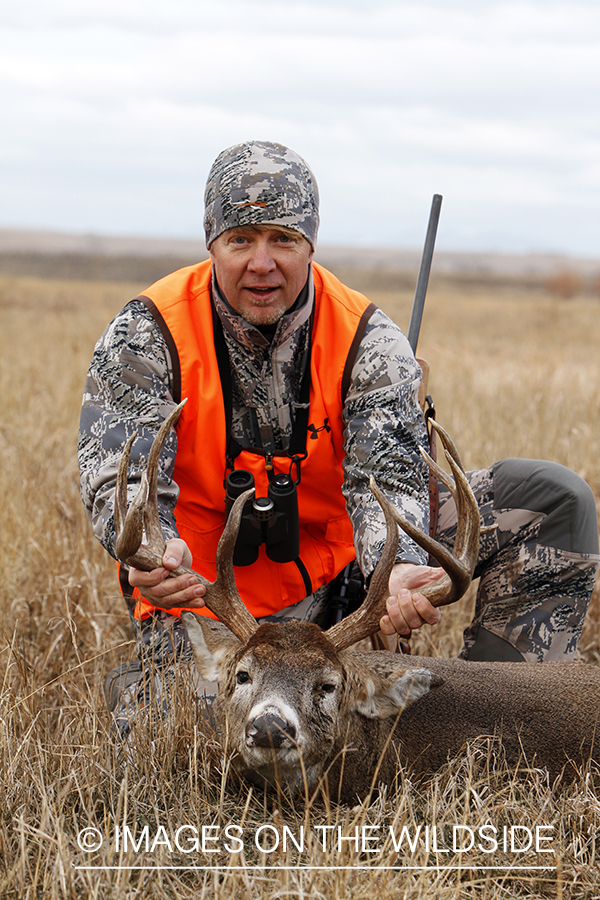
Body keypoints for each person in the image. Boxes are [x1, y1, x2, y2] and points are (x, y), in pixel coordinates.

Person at [78, 140, 600, 739]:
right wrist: (153, 550)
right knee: (170, 743)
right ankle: (160, 686)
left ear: (311, 244)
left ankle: (493, 730)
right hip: (206, 602)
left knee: (550, 501)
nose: (262, 262)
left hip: (343, 586)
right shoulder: (147, 334)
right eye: (241, 239)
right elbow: (118, 479)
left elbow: (392, 474)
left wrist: (398, 569)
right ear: (211, 243)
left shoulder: (367, 339)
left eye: (284, 240)